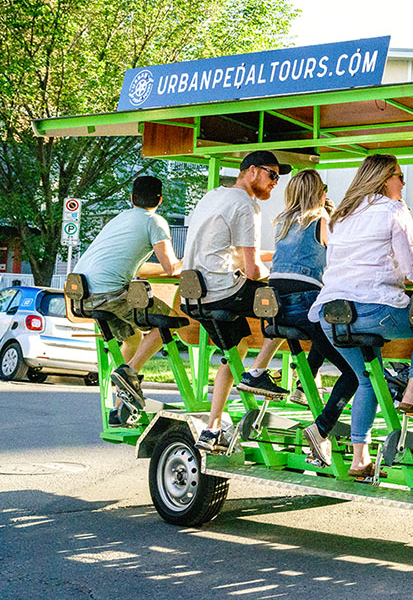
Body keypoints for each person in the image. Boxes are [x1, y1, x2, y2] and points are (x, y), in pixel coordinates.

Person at [306, 153, 413, 477]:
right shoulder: (394, 210)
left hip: (331, 314)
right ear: (383, 178)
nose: (403, 183)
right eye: (399, 176)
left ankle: (359, 460)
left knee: (366, 379)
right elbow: (411, 270)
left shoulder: (341, 215)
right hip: (374, 309)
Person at [183, 150, 292, 452]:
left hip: (195, 293)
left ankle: (212, 427)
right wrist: (278, 270)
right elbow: (254, 270)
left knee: (236, 349)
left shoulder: (213, 196)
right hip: (223, 291)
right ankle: (258, 373)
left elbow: (222, 251)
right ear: (253, 171)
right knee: (289, 304)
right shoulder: (247, 204)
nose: (275, 183)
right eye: (273, 175)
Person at [266, 170, 359, 461]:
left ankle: (303, 385)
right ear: (319, 192)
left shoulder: (281, 221)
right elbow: (342, 256)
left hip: (277, 309)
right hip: (306, 305)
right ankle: (321, 428)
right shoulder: (320, 221)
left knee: (320, 332)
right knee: (355, 372)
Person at [74, 175, 182, 422]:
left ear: (131, 198)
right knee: (170, 320)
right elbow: (170, 268)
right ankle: (130, 372)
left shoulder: (119, 219)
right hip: (110, 293)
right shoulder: (155, 221)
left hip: (83, 292)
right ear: (160, 200)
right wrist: (188, 264)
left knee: (132, 338)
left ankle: (119, 406)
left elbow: (131, 264)